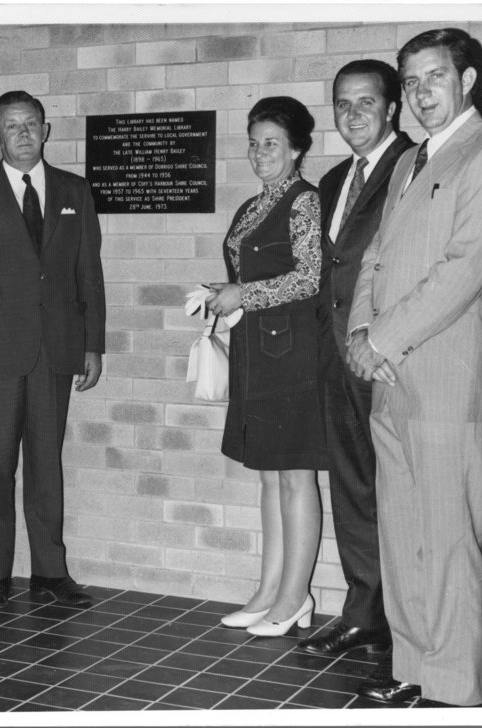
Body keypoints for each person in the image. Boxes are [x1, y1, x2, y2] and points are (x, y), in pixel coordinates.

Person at [347, 28, 482, 707]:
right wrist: (361, 333)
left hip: (446, 376)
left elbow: (461, 273)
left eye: (434, 77)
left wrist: (382, 340)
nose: (420, 93)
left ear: (468, 80)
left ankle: (453, 692)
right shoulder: (404, 163)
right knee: (401, 533)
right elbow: (373, 259)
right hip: (388, 373)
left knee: (448, 538)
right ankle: (412, 669)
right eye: (411, 80)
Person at [0, 90, 106, 608]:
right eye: (11, 126)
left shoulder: (74, 190)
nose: (22, 133)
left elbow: (89, 272)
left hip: (56, 351)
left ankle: (49, 573)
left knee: (46, 462)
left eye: (31, 124)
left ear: (46, 130)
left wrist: (93, 344)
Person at [297, 60, 414, 658]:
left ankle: (410, 626)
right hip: (337, 360)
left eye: (366, 102)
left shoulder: (419, 165)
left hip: (392, 359)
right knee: (352, 488)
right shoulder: (333, 178)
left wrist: (382, 340)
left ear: (392, 107)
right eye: (342, 103)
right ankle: (365, 613)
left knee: (404, 493)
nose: (353, 114)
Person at [205, 96, 327, 637]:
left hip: (294, 356)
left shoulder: (305, 201)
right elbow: (254, 276)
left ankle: (296, 597)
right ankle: (268, 590)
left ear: (297, 148)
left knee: (296, 476)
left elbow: (309, 279)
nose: (259, 153)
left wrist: (243, 294)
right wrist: (222, 294)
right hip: (258, 356)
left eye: (271, 143)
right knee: (271, 478)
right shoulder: (254, 205)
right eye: (253, 143)